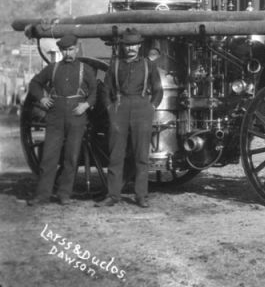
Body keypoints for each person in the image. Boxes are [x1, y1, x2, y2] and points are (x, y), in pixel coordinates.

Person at [26, 33, 97, 206]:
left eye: (71, 49)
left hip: (76, 116)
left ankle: (64, 194)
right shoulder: (53, 68)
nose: (68, 53)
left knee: (71, 157)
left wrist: (86, 105)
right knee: (49, 156)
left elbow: (95, 91)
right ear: (60, 51)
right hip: (55, 116)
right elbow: (34, 83)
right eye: (64, 50)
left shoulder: (85, 69)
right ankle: (42, 195)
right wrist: (42, 98)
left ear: (77, 49)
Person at [96, 28, 163, 209]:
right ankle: (112, 195)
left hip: (142, 109)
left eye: (134, 45)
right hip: (120, 108)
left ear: (140, 46)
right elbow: (105, 90)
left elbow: (158, 90)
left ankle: (141, 195)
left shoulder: (149, 65)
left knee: (141, 155)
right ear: (123, 46)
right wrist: (110, 108)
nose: (131, 48)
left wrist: (151, 107)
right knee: (116, 154)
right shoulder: (115, 65)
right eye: (127, 45)